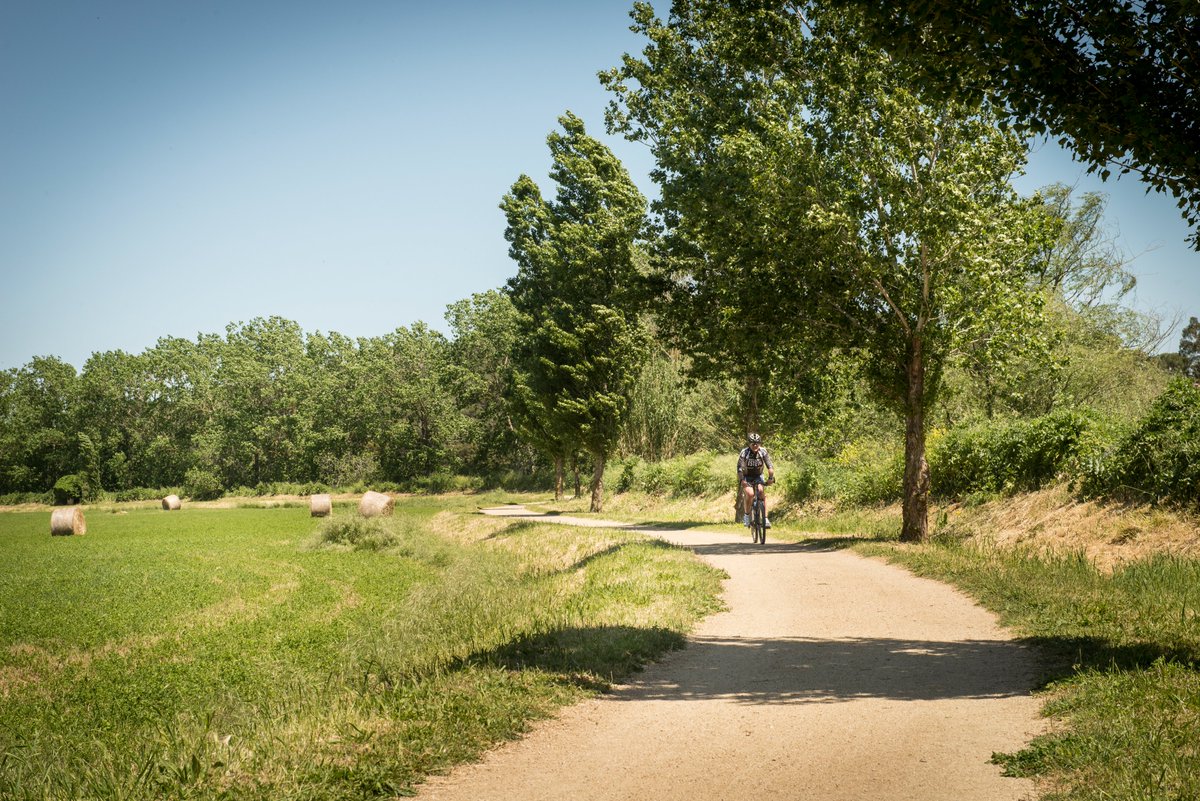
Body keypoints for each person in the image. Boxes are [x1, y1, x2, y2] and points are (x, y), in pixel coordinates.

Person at [738, 433, 775, 528]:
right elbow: (740, 468)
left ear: (760, 443)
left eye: (757, 443)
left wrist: (770, 478)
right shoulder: (744, 452)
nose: (755, 445)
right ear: (749, 444)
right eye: (753, 443)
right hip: (746, 476)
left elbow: (769, 466)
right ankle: (746, 516)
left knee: (761, 492)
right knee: (750, 494)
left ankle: (765, 518)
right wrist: (742, 480)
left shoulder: (763, 451)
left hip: (758, 475)